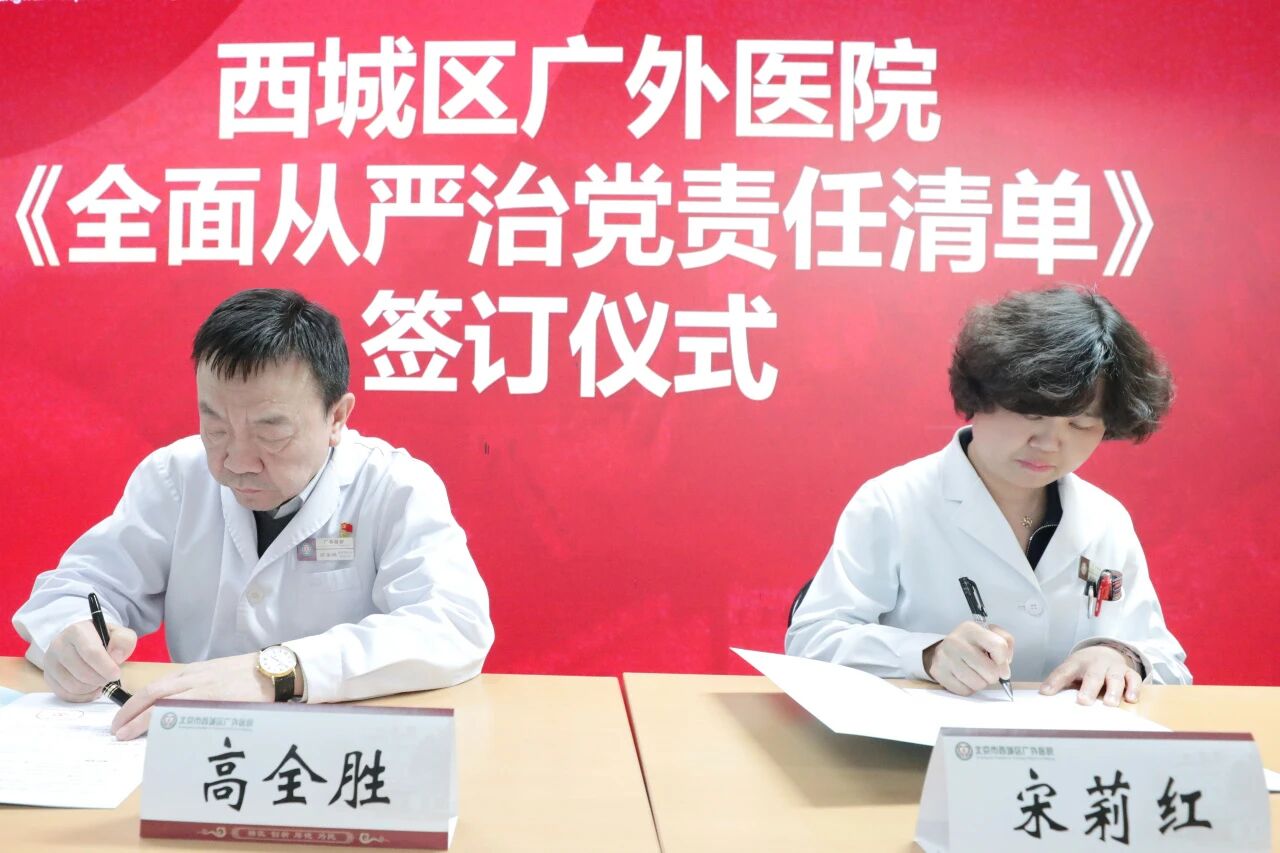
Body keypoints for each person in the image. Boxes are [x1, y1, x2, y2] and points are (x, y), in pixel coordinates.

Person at [13, 289, 494, 739]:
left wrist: (278, 671)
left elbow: (452, 624)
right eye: (216, 428)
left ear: (336, 417)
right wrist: (69, 634)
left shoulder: (394, 487)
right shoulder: (175, 477)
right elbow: (75, 588)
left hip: (345, 746)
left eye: (271, 432)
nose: (238, 461)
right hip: (194, 744)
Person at [785, 286, 1190, 706]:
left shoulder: (1105, 518)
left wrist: (1119, 656)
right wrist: (927, 655)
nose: (1050, 443)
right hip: (923, 740)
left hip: (1067, 744)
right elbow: (812, 639)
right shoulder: (893, 502)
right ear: (981, 396)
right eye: (1032, 414)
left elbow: (1169, 663)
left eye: (1081, 425)